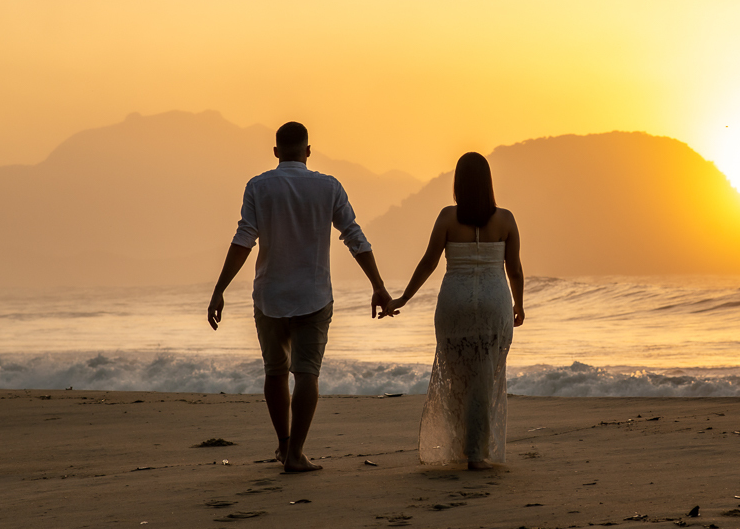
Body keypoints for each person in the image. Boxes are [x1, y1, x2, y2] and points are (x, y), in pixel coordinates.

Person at [207, 121, 392, 473]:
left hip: (270, 296)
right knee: (307, 374)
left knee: (275, 373)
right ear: (308, 151)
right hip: (314, 295)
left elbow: (244, 239)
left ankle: (283, 444)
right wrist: (378, 285)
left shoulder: (258, 186)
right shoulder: (329, 187)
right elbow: (355, 237)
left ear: (276, 152)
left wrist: (219, 290)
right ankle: (296, 454)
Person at [384, 152, 524, 470]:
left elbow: (429, 262)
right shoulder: (505, 219)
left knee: (458, 379)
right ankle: (478, 454)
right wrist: (519, 304)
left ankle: (462, 448)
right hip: (493, 304)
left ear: (458, 183)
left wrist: (404, 298)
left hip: (454, 305)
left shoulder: (448, 217)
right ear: (488, 182)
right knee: (486, 379)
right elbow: (514, 270)